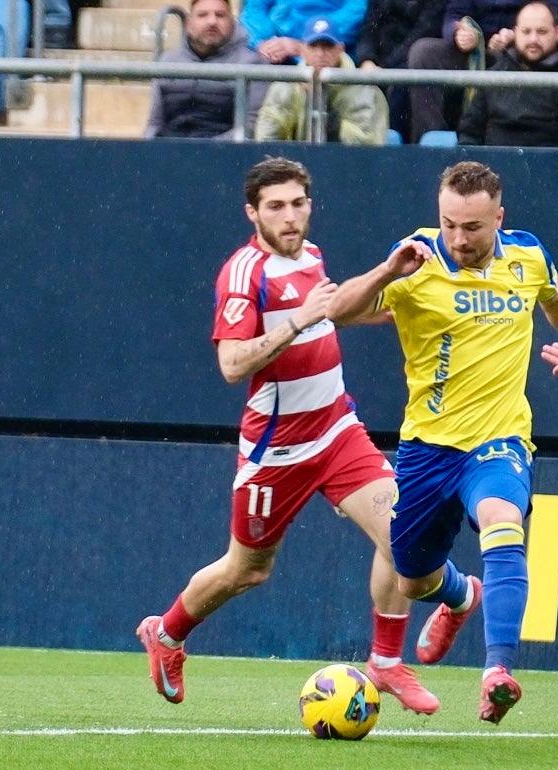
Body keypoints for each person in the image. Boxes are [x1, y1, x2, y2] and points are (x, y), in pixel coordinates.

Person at [136, 157, 438, 716]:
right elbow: (231, 364)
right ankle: (168, 633)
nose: (290, 216)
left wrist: (398, 298)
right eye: (276, 206)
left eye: (298, 203)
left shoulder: (312, 257)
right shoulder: (243, 272)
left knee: (405, 538)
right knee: (248, 569)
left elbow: (335, 313)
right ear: (252, 212)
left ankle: (387, 662)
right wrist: (298, 319)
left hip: (337, 430)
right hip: (278, 450)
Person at [328, 161, 558, 724]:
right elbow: (338, 312)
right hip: (428, 450)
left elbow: (557, 294)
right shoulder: (416, 260)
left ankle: (497, 671)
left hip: (498, 440)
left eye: (472, 227)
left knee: (503, 519)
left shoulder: (527, 256)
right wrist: (385, 272)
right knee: (413, 576)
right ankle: (460, 596)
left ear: (499, 218)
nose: (458, 238)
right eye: (449, 223)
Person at [406, 0, 558, 142]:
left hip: (522, 50)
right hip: (474, 51)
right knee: (423, 53)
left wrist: (517, 37)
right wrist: (459, 33)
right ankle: (431, 142)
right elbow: (454, 15)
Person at [457, 1, 558, 147]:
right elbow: (469, 132)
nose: (533, 39)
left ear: (557, 33)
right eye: (526, 31)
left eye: (542, 31)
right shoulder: (496, 74)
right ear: (515, 33)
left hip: (549, 165)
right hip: (492, 164)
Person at [144, 0, 268, 140]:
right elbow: (154, 123)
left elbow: (250, 126)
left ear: (233, 23)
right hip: (169, 151)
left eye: (220, 15)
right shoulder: (168, 61)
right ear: (188, 24)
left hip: (224, 153)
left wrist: (205, 150)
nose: (212, 22)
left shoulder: (252, 64)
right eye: (202, 15)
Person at [255, 17, 388, 144]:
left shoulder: (364, 91)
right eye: (313, 46)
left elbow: (368, 149)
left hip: (346, 166)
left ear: (340, 49)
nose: (320, 53)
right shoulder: (285, 87)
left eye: (327, 46)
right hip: (291, 165)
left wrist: (330, 118)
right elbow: (266, 140)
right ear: (302, 50)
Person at [354, 0, 444, 139]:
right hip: (378, 61)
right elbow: (368, 30)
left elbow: (423, 32)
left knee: (400, 89)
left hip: (410, 64)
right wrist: (366, 60)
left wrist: (385, 69)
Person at [239, 0, 367, 65]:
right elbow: (254, 9)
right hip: (276, 55)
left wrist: (305, 44)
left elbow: (357, 10)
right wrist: (266, 43)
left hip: (329, 50)